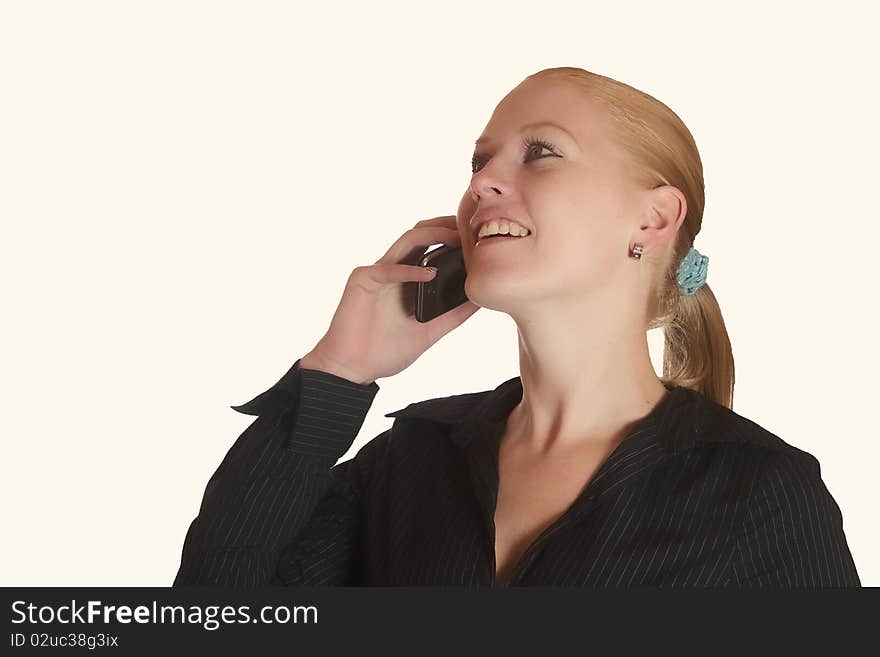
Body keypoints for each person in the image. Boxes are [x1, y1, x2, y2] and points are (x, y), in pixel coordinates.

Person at [173, 67, 861, 587]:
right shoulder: (407, 464)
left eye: (541, 153)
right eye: (479, 162)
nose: (483, 184)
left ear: (652, 219)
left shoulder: (760, 493)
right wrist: (338, 372)